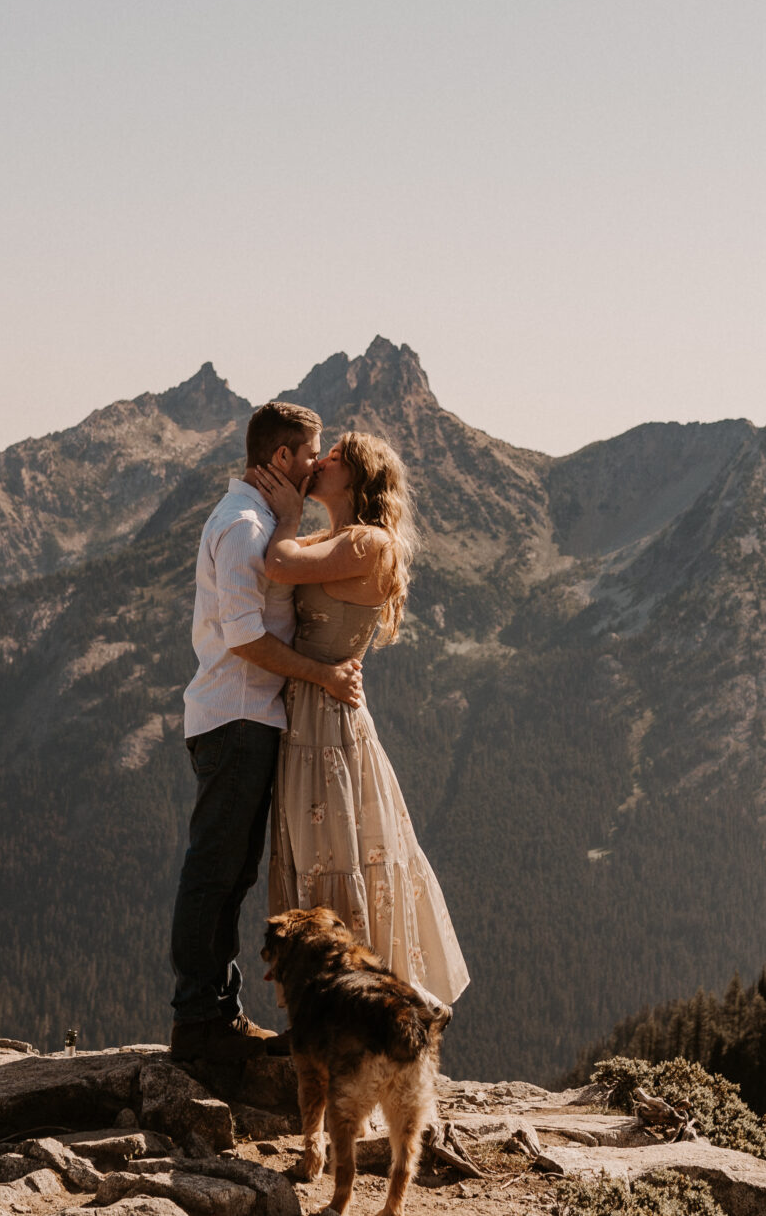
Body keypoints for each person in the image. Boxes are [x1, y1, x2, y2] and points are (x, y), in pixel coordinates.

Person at [170, 400, 364, 1067]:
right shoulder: (242, 525)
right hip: (236, 715)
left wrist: (291, 521)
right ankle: (198, 1019)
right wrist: (323, 675)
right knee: (213, 873)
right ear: (281, 458)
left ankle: (218, 1010)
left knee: (232, 875)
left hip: (250, 717)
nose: (318, 463)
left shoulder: (261, 521)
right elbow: (247, 638)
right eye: (311, 452)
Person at [250, 431, 469, 1006]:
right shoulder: (339, 538)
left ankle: (360, 1010)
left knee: (334, 859)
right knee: (319, 857)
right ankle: (328, 1012)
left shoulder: (368, 542)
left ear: (359, 478)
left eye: (335, 458)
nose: (320, 461)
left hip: (327, 721)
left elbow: (277, 562)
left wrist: (288, 513)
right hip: (310, 711)